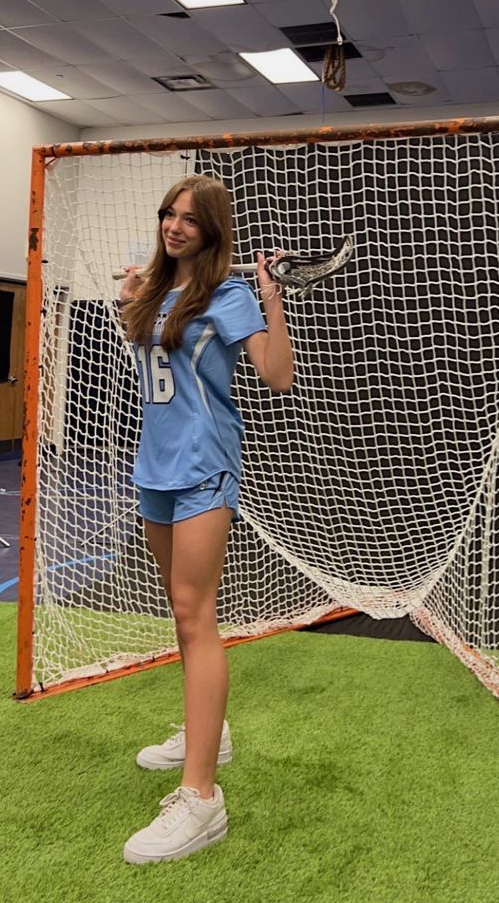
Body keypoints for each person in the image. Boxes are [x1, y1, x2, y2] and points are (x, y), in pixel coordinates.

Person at [118, 173, 294, 866]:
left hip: (204, 467)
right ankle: (207, 736)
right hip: (153, 468)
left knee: (196, 613)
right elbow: (154, 357)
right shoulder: (156, 292)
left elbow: (276, 374)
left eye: (189, 218)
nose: (174, 225)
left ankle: (201, 799)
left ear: (212, 228)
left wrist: (271, 301)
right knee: (180, 611)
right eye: (168, 213)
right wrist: (134, 296)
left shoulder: (229, 295)